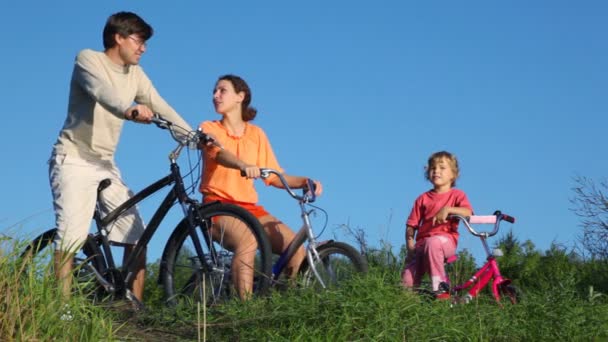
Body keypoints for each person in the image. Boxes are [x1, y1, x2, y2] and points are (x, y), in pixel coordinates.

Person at [48, 11, 193, 302]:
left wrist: (192, 137)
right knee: (71, 237)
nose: (144, 48)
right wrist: (128, 109)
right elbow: (102, 92)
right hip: (73, 159)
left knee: (137, 237)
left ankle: (134, 311)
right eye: (139, 41)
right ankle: (59, 312)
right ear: (119, 37)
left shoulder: (136, 75)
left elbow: (158, 103)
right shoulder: (88, 59)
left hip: (105, 165)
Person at [199, 74, 323, 299]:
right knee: (248, 240)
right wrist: (243, 165)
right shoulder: (209, 127)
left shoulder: (256, 134)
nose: (215, 96)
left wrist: (305, 181)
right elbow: (219, 154)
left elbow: (275, 176)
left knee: (296, 250)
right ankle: (245, 311)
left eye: (222, 90)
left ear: (240, 96)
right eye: (214, 92)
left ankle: (284, 304)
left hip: (250, 208)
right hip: (218, 207)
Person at [401, 151, 473, 299]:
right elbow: (411, 224)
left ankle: (440, 291)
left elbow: (468, 213)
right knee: (408, 278)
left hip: (445, 242)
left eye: (442, 167)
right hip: (422, 245)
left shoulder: (457, 195)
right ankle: (408, 307)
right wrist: (410, 245)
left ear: (453, 174)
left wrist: (448, 209)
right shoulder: (423, 199)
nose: (436, 171)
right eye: (433, 168)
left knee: (433, 243)